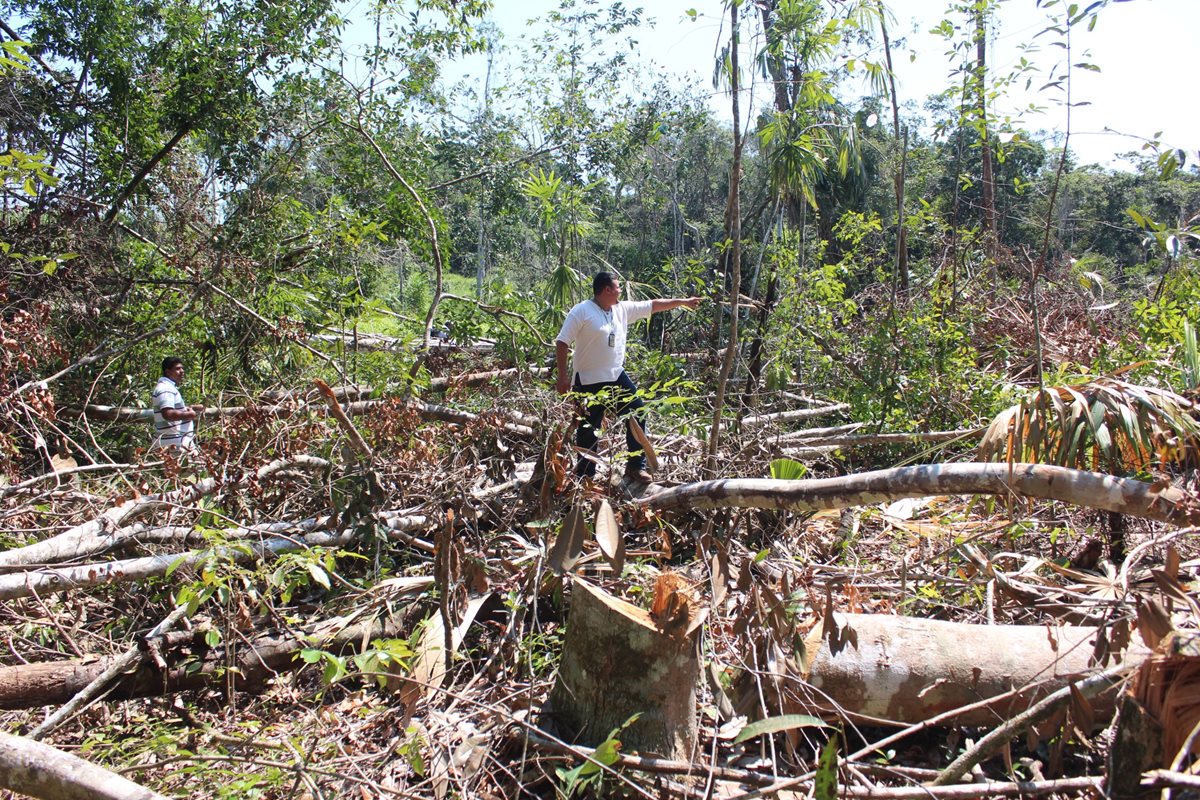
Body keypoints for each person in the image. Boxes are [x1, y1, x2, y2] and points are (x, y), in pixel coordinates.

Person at [555, 272, 700, 483]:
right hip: (587, 380)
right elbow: (562, 342)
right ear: (607, 290)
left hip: (615, 375)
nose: (621, 290)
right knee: (588, 429)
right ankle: (585, 478)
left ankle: (634, 466)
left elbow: (654, 305)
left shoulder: (621, 309)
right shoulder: (582, 311)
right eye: (617, 287)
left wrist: (683, 302)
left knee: (637, 412)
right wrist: (562, 377)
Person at [151, 356, 205, 450]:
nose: (182, 371)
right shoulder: (166, 389)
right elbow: (168, 414)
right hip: (176, 443)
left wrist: (190, 407)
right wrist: (189, 415)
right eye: (177, 369)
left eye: (182, 368)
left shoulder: (166, 387)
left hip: (174, 442)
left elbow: (170, 408)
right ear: (168, 372)